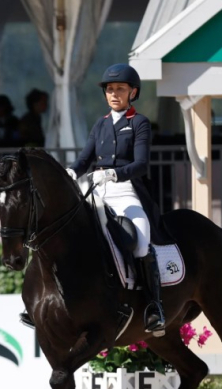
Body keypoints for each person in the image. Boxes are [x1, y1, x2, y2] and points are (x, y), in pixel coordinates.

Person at [67, 63, 165, 334]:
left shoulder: (139, 123)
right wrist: (70, 172)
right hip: (97, 192)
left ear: (133, 92)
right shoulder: (100, 124)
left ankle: (154, 307)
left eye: (120, 89)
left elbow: (141, 164)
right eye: (110, 89)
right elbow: (84, 159)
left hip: (125, 191)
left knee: (142, 242)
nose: (114, 94)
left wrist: (112, 173)